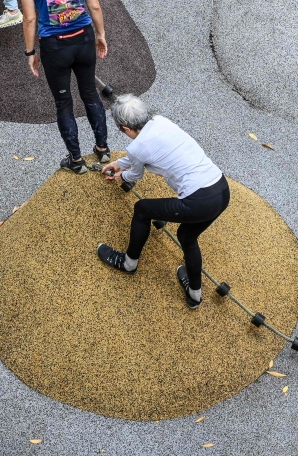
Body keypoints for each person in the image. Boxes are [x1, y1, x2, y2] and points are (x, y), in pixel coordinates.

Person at [96, 95, 230, 309]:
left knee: (142, 209)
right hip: (221, 190)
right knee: (187, 236)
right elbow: (142, 155)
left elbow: (135, 173)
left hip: (197, 201)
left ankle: (129, 263)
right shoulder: (161, 121)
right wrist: (118, 163)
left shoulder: (136, 146)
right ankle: (194, 296)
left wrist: (122, 176)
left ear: (125, 128)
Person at [19, 0, 110, 173]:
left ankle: (76, 159)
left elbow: (29, 18)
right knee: (90, 94)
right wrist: (100, 34)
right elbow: (94, 4)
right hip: (83, 39)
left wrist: (30, 52)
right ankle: (102, 149)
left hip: (55, 47)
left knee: (64, 102)